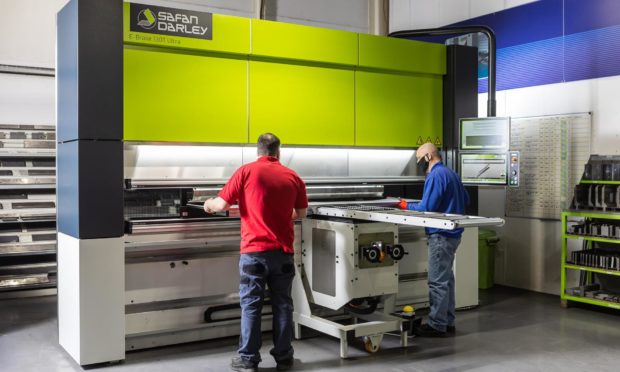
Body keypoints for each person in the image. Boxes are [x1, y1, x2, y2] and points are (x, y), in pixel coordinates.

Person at [204, 133, 308, 372]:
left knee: (251, 305)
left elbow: (220, 205)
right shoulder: (293, 177)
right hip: (282, 253)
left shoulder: (246, 171)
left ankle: (248, 360)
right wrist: (281, 217)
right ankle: (284, 357)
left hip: (254, 252)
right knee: (283, 305)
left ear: (258, 151)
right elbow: (301, 213)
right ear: (278, 152)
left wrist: (208, 204)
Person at [398, 142, 468, 337]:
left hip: (440, 235)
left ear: (429, 156)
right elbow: (466, 199)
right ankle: (448, 322)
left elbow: (426, 208)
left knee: (437, 281)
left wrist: (404, 205)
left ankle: (437, 325)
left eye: (420, 160)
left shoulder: (435, 175)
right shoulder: (451, 173)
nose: (420, 164)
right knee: (446, 280)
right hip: (454, 235)